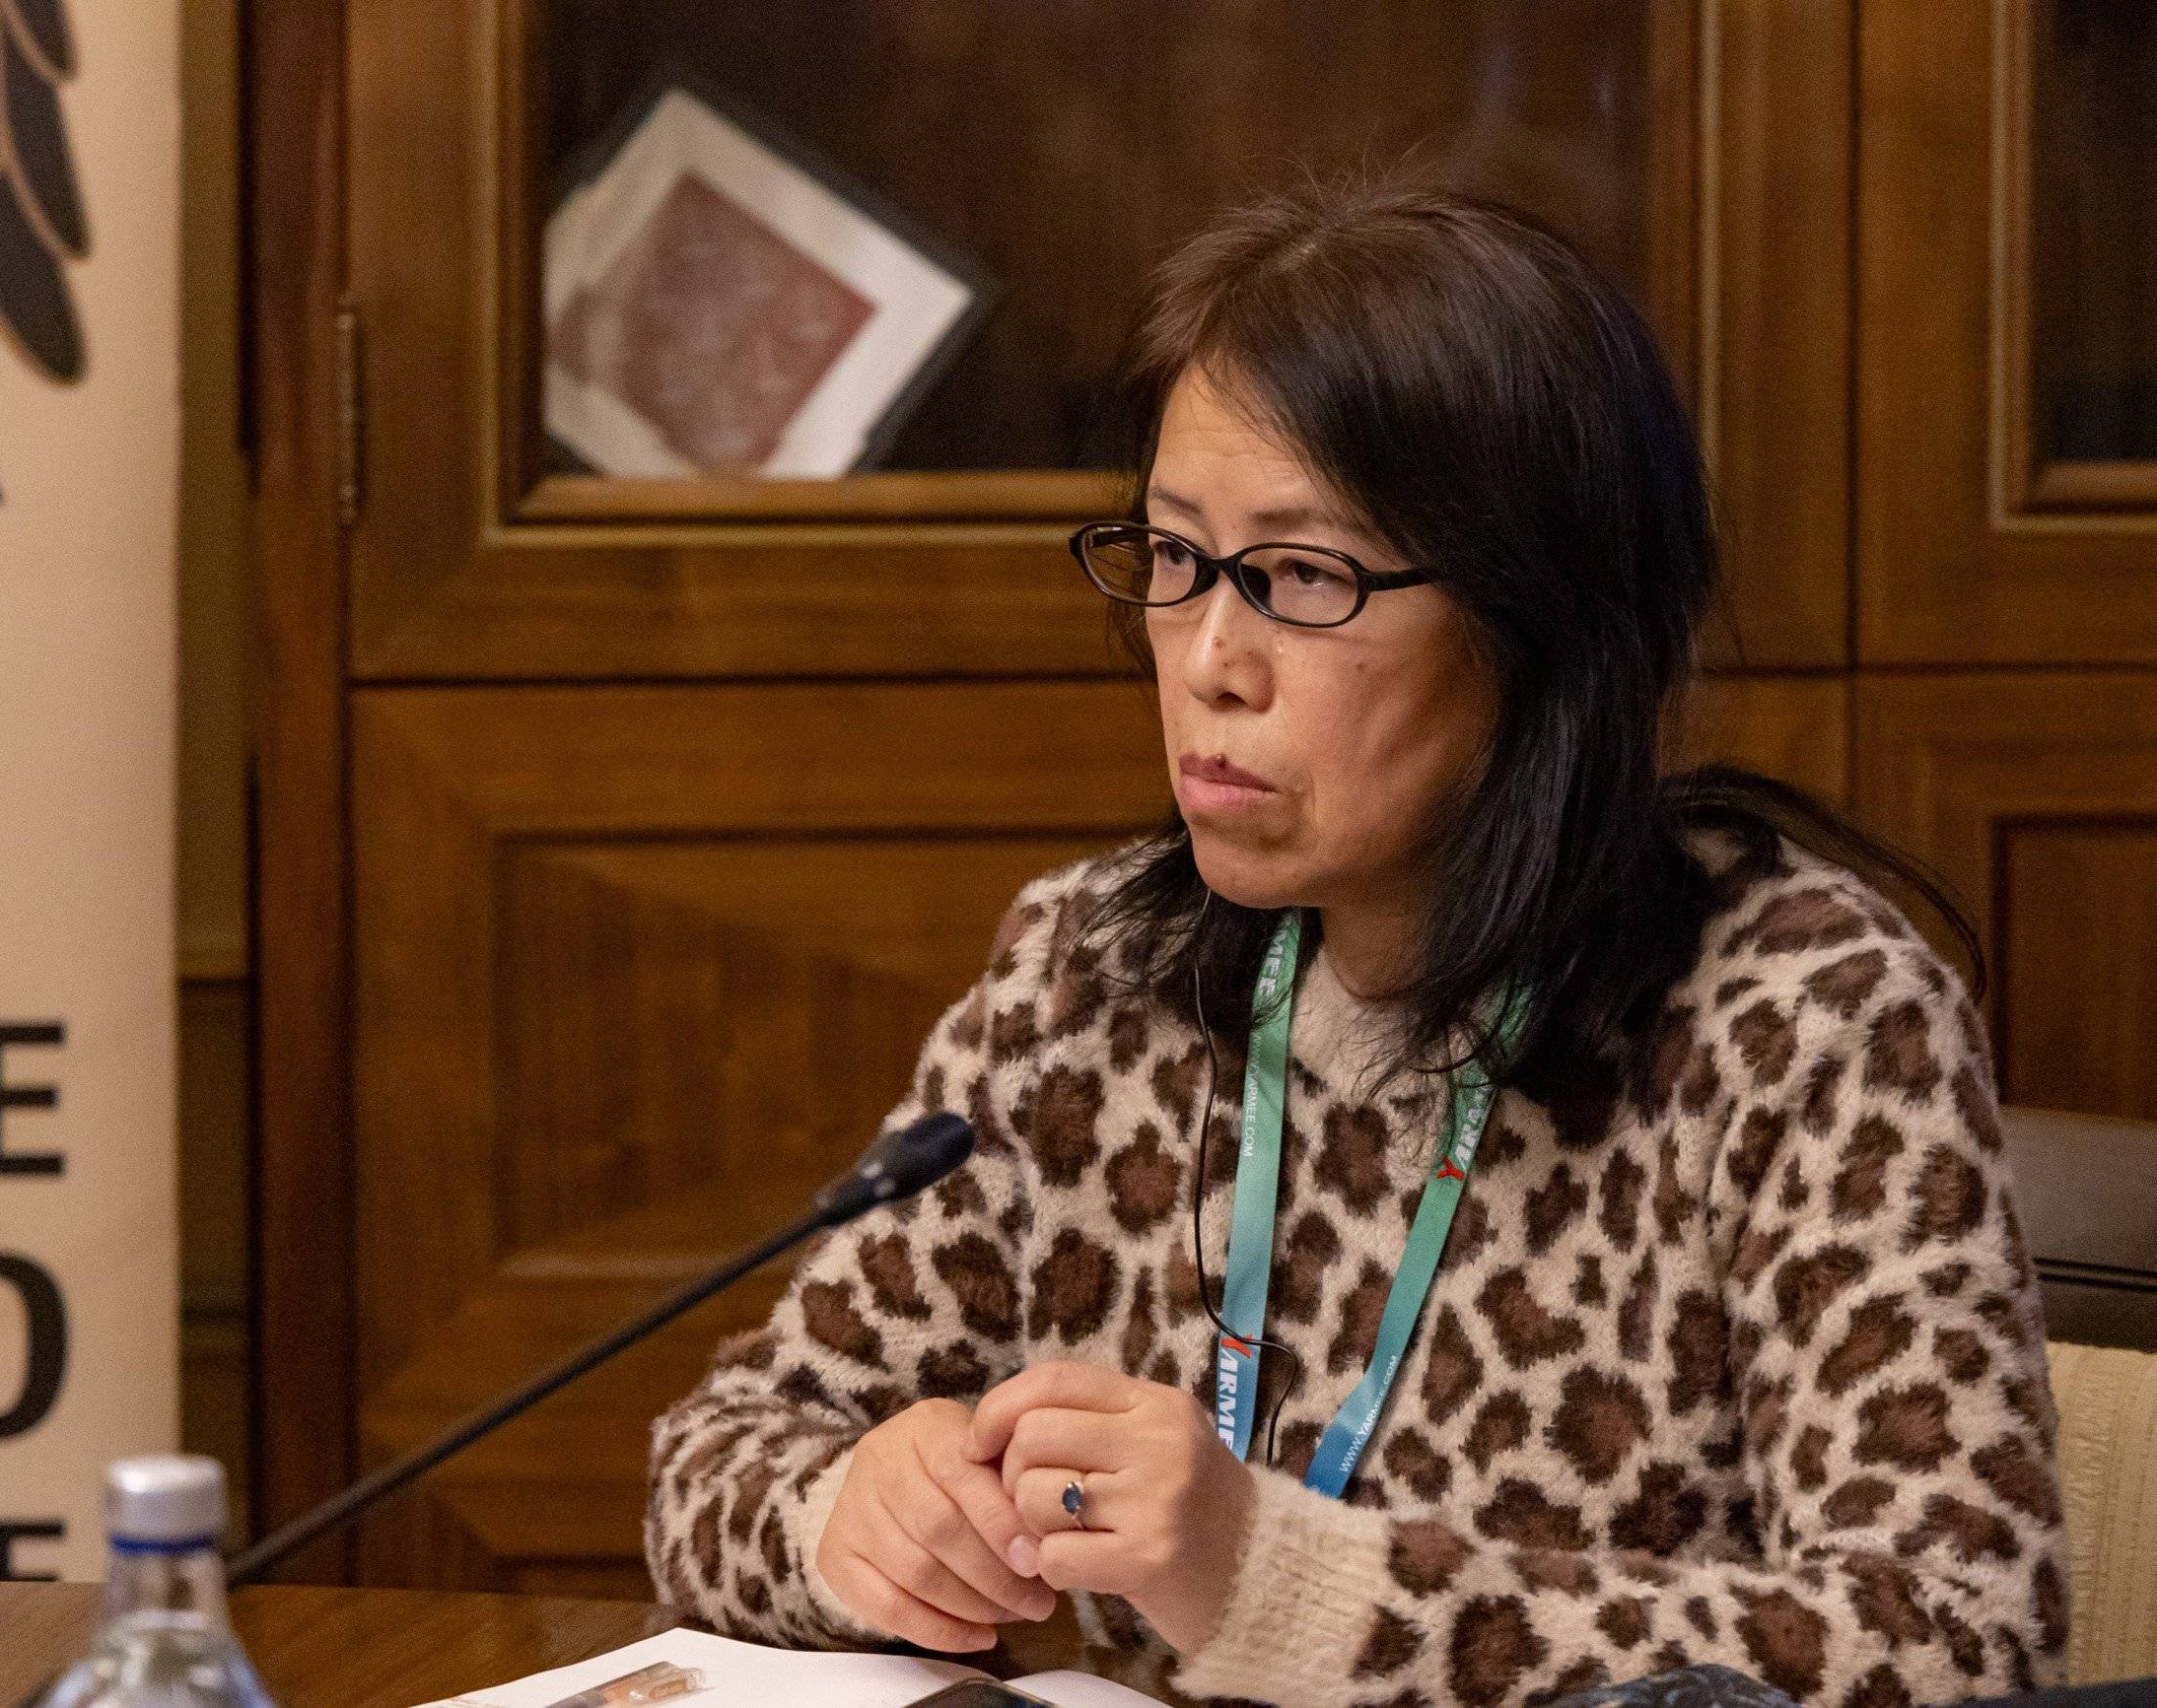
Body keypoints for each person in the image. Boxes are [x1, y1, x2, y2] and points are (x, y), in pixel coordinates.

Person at [645, 175, 2067, 1708]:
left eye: (1304, 577)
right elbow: (718, 1457)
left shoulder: (1806, 1020)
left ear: (1542, 624)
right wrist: (847, 1517)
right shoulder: (1087, 982)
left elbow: (1963, 1642)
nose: (1209, 659)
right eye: (1173, 557)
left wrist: (1275, 1575)